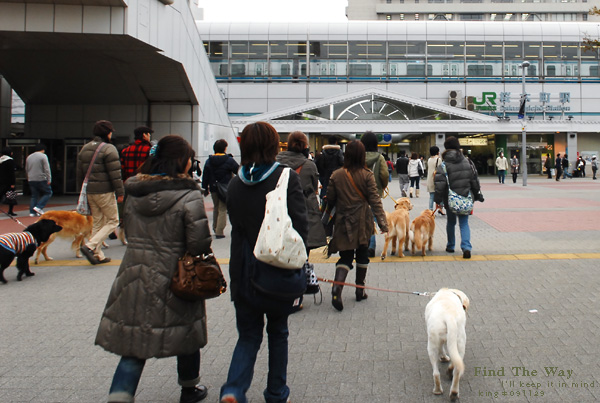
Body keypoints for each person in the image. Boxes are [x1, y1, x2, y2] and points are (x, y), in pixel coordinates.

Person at [95, 135, 211, 403]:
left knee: (135, 342)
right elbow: (198, 242)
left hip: (134, 271)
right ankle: (189, 388)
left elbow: (128, 228)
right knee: (187, 333)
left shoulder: (134, 192)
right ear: (181, 161)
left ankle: (119, 395)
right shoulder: (189, 194)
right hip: (175, 274)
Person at [220, 121, 308, 403]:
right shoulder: (284, 177)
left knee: (247, 335)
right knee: (278, 331)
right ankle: (276, 393)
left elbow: (237, 225)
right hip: (276, 270)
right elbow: (300, 226)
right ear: (273, 146)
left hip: (243, 269)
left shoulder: (235, 183)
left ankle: (233, 389)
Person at [327, 140, 388, 311]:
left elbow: (330, 198)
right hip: (362, 221)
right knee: (362, 255)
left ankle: (337, 287)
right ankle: (360, 291)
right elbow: (375, 201)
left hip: (343, 221)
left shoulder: (337, 174)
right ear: (362, 156)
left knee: (345, 257)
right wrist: (383, 223)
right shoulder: (367, 174)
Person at [77, 120, 124, 265]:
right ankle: (90, 246)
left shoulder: (85, 148)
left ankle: (98, 255)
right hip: (105, 191)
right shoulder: (109, 149)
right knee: (113, 221)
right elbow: (115, 173)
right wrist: (120, 192)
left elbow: (79, 172)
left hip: (90, 191)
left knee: (98, 221)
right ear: (108, 133)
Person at [276, 131, 327, 252]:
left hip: (280, 206)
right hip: (304, 209)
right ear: (305, 146)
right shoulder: (309, 165)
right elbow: (314, 187)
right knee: (303, 245)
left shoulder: (276, 163)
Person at [434, 136, 483, 260]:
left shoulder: (444, 164)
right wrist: (477, 194)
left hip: (450, 199)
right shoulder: (468, 162)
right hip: (465, 197)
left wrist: (437, 200)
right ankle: (466, 247)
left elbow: (440, 184)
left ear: (446, 149)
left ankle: (451, 245)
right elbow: (474, 180)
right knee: (464, 223)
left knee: (451, 222)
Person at [201, 139, 239, 239]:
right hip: (225, 187)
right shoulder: (228, 160)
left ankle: (215, 227)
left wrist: (205, 187)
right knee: (223, 208)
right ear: (225, 148)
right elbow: (238, 170)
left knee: (216, 207)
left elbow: (205, 175)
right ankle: (219, 231)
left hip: (213, 187)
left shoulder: (209, 160)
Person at [361, 131, 388, 258]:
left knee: (361, 219)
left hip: (359, 192)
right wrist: (383, 186)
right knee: (372, 218)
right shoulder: (379, 157)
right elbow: (384, 175)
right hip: (375, 192)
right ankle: (371, 246)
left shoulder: (358, 157)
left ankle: (363, 245)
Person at [25, 143, 52, 216]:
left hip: (31, 179)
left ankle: (32, 212)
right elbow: (47, 168)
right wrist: (49, 179)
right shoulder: (43, 156)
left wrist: (28, 178)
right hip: (41, 178)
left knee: (34, 195)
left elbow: (27, 169)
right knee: (48, 192)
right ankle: (39, 207)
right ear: (42, 150)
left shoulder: (29, 157)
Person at [315, 136, 344, 203]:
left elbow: (321, 163)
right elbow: (342, 161)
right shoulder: (339, 151)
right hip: (336, 174)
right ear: (336, 142)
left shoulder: (324, 151)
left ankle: (324, 203)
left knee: (325, 188)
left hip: (326, 173)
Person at [426, 146, 444, 215]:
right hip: (437, 180)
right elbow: (440, 169)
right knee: (441, 195)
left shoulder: (429, 159)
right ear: (437, 152)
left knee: (431, 196)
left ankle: (430, 211)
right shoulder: (438, 159)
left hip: (430, 179)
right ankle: (440, 208)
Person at [0, 147, 17, 216]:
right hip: (8, 182)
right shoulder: (10, 161)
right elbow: (11, 173)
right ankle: (10, 210)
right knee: (11, 196)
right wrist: (12, 183)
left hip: (1, 182)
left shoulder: (1, 160)